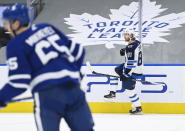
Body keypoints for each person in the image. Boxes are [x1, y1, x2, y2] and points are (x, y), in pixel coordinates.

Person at [0, 3, 94, 131]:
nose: (5, 26)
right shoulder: (47, 27)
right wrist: (74, 72)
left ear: (16, 23)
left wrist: (1, 97)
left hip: (48, 96)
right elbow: (78, 51)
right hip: (74, 90)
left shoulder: (15, 45)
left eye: (6, 22)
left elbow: (19, 83)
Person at [104, 29, 143, 114]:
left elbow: (131, 62)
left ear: (131, 36)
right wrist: (125, 49)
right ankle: (112, 93)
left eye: (127, 34)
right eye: (124, 34)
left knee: (129, 90)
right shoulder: (137, 43)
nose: (125, 36)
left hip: (133, 70)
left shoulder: (130, 47)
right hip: (136, 68)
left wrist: (126, 73)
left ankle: (138, 107)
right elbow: (134, 51)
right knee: (115, 71)